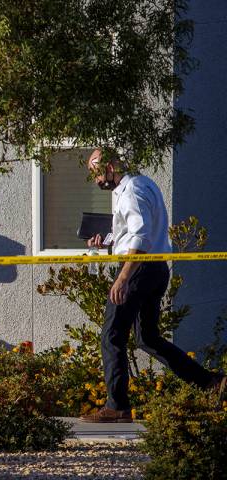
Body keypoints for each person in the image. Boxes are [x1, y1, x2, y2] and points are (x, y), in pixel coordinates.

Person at [80, 148, 227, 423]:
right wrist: (108, 242)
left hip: (139, 269)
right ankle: (210, 382)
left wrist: (123, 278)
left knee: (111, 334)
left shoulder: (132, 190)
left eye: (95, 170)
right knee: (147, 337)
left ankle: (117, 407)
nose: (95, 179)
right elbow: (133, 233)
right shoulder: (141, 184)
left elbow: (141, 236)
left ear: (110, 166)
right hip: (155, 268)